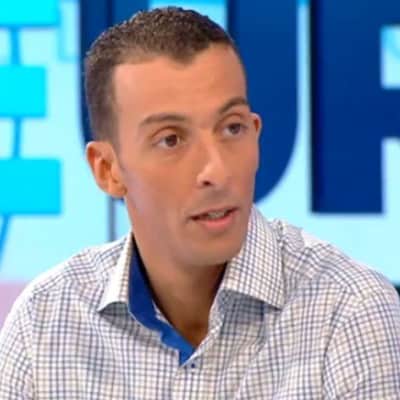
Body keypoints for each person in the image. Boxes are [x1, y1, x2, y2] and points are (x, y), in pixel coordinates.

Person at [0, 7, 399, 399]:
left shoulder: (352, 312)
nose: (217, 171)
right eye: (171, 139)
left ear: (256, 133)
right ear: (108, 170)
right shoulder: (44, 322)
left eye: (232, 128)